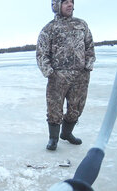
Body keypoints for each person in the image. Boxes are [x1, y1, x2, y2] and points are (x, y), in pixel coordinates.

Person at [36, 0, 95, 150]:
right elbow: (42, 53)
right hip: (58, 76)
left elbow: (89, 46)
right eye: (65, 2)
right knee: (54, 108)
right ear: (57, 6)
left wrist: (88, 66)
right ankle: (53, 138)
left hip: (80, 76)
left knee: (76, 108)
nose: (70, 5)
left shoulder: (82, 25)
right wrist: (49, 72)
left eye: (71, 2)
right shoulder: (49, 28)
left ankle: (67, 133)